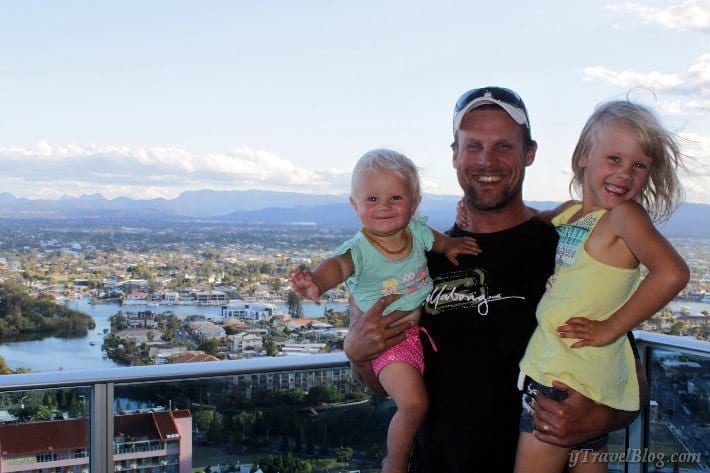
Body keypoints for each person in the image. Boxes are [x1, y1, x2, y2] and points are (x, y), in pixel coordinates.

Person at [344, 86, 649, 472]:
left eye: (503, 146)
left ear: (530, 153)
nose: (487, 160)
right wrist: (357, 354)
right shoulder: (415, 261)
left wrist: (600, 419)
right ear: (454, 155)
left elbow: (632, 380)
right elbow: (382, 378)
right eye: (473, 146)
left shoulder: (570, 252)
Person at [508, 101, 689, 473]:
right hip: (588, 381)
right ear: (584, 157)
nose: (625, 174)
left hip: (558, 377)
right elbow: (525, 221)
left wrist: (610, 328)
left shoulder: (624, 216)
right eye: (615, 158)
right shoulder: (569, 214)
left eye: (639, 165)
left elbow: (673, 273)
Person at [289, 149, 480, 473]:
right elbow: (338, 265)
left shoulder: (415, 231)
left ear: (414, 202)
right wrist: (317, 283)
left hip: (417, 338)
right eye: (373, 198)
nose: (385, 207)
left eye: (395, 197)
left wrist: (448, 245)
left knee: (421, 403)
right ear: (355, 205)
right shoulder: (360, 249)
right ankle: (395, 462)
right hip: (389, 344)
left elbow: (431, 238)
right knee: (414, 404)